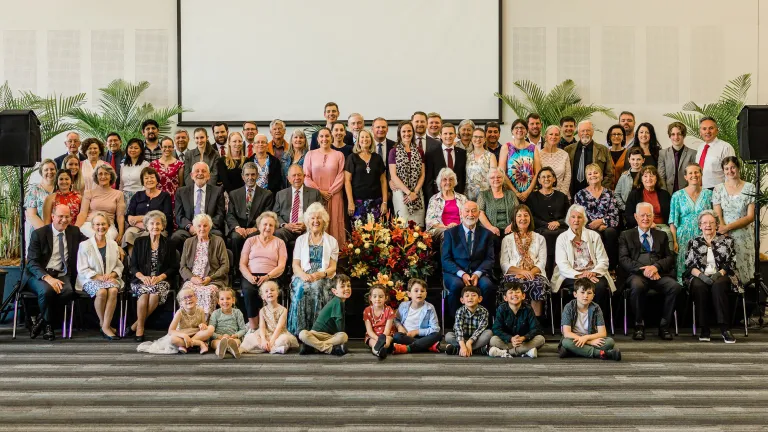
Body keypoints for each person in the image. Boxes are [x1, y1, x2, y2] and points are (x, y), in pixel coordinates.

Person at [619, 202, 682, 341]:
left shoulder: (661, 235)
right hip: (636, 274)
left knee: (675, 287)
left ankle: (664, 326)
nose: (645, 218)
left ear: (653, 216)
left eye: (649, 215)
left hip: (658, 273)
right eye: (642, 215)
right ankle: (639, 326)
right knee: (637, 286)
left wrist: (656, 267)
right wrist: (645, 270)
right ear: (636, 216)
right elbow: (624, 259)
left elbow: (669, 257)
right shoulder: (626, 235)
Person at [22, 204, 86, 340]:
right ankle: (48, 326)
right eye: (60, 216)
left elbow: (91, 243)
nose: (64, 220)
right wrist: (48, 278)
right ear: (52, 217)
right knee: (47, 291)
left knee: (68, 291)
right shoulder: (39, 234)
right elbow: (32, 263)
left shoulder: (74, 232)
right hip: (38, 275)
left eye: (67, 216)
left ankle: (40, 320)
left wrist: (115, 247)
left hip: (61, 274)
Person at [685, 210, 740, 343]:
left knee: (718, 285)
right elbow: (689, 265)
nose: (708, 225)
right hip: (700, 275)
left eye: (711, 222)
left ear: (716, 225)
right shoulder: (694, 242)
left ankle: (725, 329)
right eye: (704, 222)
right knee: (699, 286)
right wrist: (702, 276)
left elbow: (730, 263)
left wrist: (717, 275)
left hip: (722, 274)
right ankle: (704, 329)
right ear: (700, 226)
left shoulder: (727, 241)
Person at [552, 204, 617, 315]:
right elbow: (562, 264)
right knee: (581, 288)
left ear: (584, 219)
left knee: (600, 287)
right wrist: (580, 275)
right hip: (571, 275)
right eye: (573, 217)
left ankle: (597, 321)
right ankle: (576, 321)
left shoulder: (594, 236)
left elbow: (603, 261)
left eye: (579, 217)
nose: (576, 220)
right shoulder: (562, 238)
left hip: (594, 274)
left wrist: (592, 273)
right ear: (568, 219)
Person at [287, 203, 339, 335]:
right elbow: (295, 265)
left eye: (319, 218)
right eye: (312, 218)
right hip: (303, 274)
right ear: (307, 221)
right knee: (300, 288)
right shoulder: (300, 240)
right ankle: (300, 331)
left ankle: (318, 331)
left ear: (324, 221)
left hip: (324, 275)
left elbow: (333, 268)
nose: (316, 221)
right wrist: (303, 275)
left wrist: (321, 274)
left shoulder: (332, 241)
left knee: (317, 286)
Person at [128, 210, 177, 342]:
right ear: (146, 226)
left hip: (161, 279)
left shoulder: (169, 243)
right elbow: (133, 266)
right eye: (152, 224)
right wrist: (143, 277)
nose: (155, 227)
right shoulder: (139, 242)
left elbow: (173, 267)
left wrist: (160, 277)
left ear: (163, 226)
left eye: (158, 224)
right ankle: (140, 329)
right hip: (141, 279)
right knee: (144, 295)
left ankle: (136, 324)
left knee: (154, 295)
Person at [442, 201, 496, 319]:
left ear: (479, 214)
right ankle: (454, 323)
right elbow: (445, 260)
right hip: (456, 273)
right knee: (456, 286)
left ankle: (485, 321)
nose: (470, 214)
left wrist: (477, 273)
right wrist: (462, 274)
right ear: (461, 213)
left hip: (479, 272)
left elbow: (489, 259)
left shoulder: (487, 234)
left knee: (487, 286)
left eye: (474, 211)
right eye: (467, 211)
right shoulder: (450, 233)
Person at [75, 211, 124, 340]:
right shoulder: (84, 245)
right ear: (92, 227)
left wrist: (112, 274)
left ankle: (105, 325)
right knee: (101, 292)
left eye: (103, 224)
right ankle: (105, 325)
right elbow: (82, 269)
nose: (100, 227)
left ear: (108, 226)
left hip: (109, 278)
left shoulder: (113, 245)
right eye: (97, 224)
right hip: (89, 279)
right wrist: (98, 277)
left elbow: (119, 265)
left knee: (113, 290)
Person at [239, 212, 287, 330]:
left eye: (271, 225)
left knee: (268, 292)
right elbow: (242, 264)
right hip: (251, 276)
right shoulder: (250, 241)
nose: (267, 227)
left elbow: (281, 265)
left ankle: (269, 326)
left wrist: (268, 276)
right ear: (259, 226)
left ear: (274, 228)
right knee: (249, 291)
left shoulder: (279, 242)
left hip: (272, 275)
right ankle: (253, 327)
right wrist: (249, 276)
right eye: (265, 224)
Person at [713, 156, 756, 285]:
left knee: (744, 272)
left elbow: (750, 217)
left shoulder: (750, 187)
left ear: (738, 168)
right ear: (723, 170)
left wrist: (728, 227)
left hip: (743, 235)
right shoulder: (718, 188)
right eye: (726, 168)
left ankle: (745, 301)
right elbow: (717, 213)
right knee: (726, 271)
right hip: (724, 235)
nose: (730, 171)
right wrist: (723, 228)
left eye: (732, 167)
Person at [500, 204, 549, 317]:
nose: (523, 219)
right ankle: (514, 320)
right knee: (513, 285)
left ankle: (535, 322)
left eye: (526, 215)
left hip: (536, 274)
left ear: (530, 218)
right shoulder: (507, 239)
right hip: (513, 274)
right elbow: (504, 264)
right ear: (514, 219)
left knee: (537, 284)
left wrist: (529, 273)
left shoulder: (540, 238)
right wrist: (522, 272)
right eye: (519, 216)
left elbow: (542, 263)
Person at [669, 163, 713, 282]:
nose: (694, 175)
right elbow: (672, 221)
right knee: (683, 268)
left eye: (696, 172)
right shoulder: (677, 196)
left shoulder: (709, 194)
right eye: (690, 173)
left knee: (702, 266)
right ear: (685, 177)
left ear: (701, 174)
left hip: (703, 236)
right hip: (683, 238)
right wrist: (674, 241)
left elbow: (714, 218)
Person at [558, 278, 621, 360]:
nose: (585, 296)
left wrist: (586, 338)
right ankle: (600, 354)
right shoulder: (569, 307)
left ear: (593, 296)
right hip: (573, 339)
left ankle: (574, 351)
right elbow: (567, 333)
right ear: (575, 294)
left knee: (610, 342)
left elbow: (602, 333)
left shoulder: (596, 308)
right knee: (566, 342)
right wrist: (589, 342)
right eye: (582, 292)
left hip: (590, 337)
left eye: (589, 293)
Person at [179, 214, 229, 317]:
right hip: (193, 280)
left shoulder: (218, 241)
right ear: (194, 227)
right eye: (199, 226)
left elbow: (225, 266)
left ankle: (204, 324)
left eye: (205, 226)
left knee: (208, 293)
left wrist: (210, 278)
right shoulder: (188, 242)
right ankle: (187, 323)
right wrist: (192, 278)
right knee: (185, 293)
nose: (202, 229)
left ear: (210, 227)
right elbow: (182, 267)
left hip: (213, 280)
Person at [573, 164, 620, 271]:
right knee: (595, 234)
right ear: (586, 178)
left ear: (602, 176)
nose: (593, 175)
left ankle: (611, 269)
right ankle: (595, 268)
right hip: (588, 227)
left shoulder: (609, 194)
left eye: (596, 172)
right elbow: (578, 217)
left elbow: (615, 216)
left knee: (610, 233)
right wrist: (594, 225)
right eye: (590, 174)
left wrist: (602, 221)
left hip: (607, 226)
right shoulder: (580, 195)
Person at [226, 162, 274, 264]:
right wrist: (237, 228)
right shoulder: (234, 194)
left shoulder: (267, 194)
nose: (250, 177)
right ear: (243, 177)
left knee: (253, 237)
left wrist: (256, 227)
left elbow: (266, 215)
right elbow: (230, 214)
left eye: (253, 174)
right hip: (239, 228)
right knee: (235, 238)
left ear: (257, 175)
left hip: (256, 228)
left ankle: (252, 267)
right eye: (247, 175)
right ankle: (236, 270)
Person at [303, 128, 345, 244]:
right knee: (316, 222)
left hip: (334, 195)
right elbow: (306, 176)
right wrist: (320, 192)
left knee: (334, 222)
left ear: (331, 138)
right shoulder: (310, 154)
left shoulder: (339, 155)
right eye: (321, 136)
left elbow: (341, 175)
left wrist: (330, 192)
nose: (324, 139)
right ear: (317, 139)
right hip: (315, 196)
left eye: (327, 136)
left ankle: (335, 254)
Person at [172, 162, 226, 250]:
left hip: (210, 229)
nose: (200, 173)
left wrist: (204, 227)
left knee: (218, 236)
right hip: (189, 229)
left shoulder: (217, 191)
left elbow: (220, 215)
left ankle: (212, 263)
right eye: (197, 171)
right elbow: (179, 216)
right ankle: (182, 263)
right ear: (192, 175)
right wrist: (190, 227)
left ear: (208, 176)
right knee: (176, 238)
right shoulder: (181, 192)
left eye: (203, 171)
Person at [527, 167, 569, 277]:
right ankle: (548, 273)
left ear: (554, 179)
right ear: (539, 180)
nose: (546, 179)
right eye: (543, 177)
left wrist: (559, 223)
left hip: (560, 228)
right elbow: (531, 217)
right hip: (541, 229)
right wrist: (547, 225)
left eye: (549, 176)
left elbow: (569, 216)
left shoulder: (562, 196)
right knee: (548, 235)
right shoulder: (532, 197)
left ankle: (560, 272)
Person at [488, 282, 545, 358]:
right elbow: (496, 329)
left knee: (541, 339)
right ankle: (525, 352)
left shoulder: (528, 309)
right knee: (493, 340)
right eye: (511, 292)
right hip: (508, 342)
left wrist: (524, 338)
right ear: (505, 298)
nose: (514, 294)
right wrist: (511, 338)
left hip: (523, 341)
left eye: (517, 292)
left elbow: (536, 328)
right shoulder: (501, 309)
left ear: (523, 296)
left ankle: (506, 352)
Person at [239, 281, 299, 354]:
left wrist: (271, 341)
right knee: (249, 337)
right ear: (263, 297)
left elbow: (279, 328)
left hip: (278, 334)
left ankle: (270, 347)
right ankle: (270, 348)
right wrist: (264, 340)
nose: (270, 292)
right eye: (266, 291)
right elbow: (262, 327)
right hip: (266, 334)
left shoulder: (283, 310)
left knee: (284, 339)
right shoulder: (262, 311)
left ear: (277, 293)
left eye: (272, 290)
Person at [298, 274, 351, 356]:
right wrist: (339, 337)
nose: (347, 288)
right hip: (317, 334)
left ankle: (314, 346)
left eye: (348, 286)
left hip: (329, 336)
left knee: (343, 336)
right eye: (342, 286)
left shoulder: (341, 302)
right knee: (303, 334)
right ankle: (329, 349)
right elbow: (339, 323)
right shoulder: (337, 301)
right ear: (334, 291)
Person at [273, 164, 323, 250]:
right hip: (287, 229)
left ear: (304, 176)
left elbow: (321, 213)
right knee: (278, 233)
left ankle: (305, 263)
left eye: (299, 175)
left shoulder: (315, 193)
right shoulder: (280, 194)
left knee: (313, 233)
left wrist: (307, 224)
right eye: (294, 175)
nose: (297, 178)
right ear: (288, 178)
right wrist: (285, 225)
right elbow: (275, 214)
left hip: (307, 228)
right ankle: (282, 262)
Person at [124, 167, 173, 252]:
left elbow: (166, 217)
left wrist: (141, 218)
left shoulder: (165, 196)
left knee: (148, 234)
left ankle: (148, 262)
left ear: (157, 180)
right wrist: (139, 223)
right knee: (129, 233)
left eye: (152, 177)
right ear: (143, 182)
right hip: (137, 227)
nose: (149, 180)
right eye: (146, 178)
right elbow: (129, 216)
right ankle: (133, 262)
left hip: (157, 227)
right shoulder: (137, 195)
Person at [344, 129, 388, 221]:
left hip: (376, 202)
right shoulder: (352, 158)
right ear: (358, 141)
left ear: (371, 140)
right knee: (358, 234)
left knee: (377, 233)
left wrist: (384, 202)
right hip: (358, 203)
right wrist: (350, 202)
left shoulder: (377, 158)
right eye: (362, 137)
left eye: (367, 137)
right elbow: (347, 181)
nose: (365, 139)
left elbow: (383, 181)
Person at [624, 166, 672, 246]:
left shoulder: (664, 194)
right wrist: (646, 224)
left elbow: (670, 215)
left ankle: (668, 257)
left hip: (661, 226)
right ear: (641, 179)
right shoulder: (634, 194)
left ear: (656, 178)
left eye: (652, 175)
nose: (649, 178)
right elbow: (628, 215)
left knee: (667, 233)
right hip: (640, 226)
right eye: (645, 176)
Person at [75, 164, 125, 242]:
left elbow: (120, 216)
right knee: (92, 237)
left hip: (108, 226)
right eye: (100, 174)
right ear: (96, 177)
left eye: (106, 174)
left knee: (105, 238)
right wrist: (75, 230)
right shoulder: (89, 193)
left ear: (111, 176)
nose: (103, 176)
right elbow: (82, 213)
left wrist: (121, 234)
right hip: (90, 224)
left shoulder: (118, 194)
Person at [389, 121, 426, 225]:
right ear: (399, 133)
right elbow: (393, 175)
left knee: (418, 226)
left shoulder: (420, 151)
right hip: (401, 193)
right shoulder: (393, 151)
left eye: (409, 131)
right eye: (404, 131)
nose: (407, 134)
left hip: (417, 193)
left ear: (413, 132)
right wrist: (409, 193)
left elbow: (422, 174)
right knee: (403, 226)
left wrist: (415, 192)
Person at [391, 278, 442, 354]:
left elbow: (435, 329)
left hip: (423, 337)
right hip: (406, 337)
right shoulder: (403, 306)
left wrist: (417, 332)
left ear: (426, 294)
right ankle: (428, 346)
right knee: (396, 337)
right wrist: (399, 327)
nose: (419, 293)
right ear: (409, 294)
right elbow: (396, 319)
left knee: (437, 335)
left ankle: (408, 348)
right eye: (416, 291)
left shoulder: (430, 308)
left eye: (422, 291)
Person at [566, 120, 615, 196]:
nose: (585, 133)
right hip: (573, 194)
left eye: (588, 130)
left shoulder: (603, 150)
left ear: (592, 132)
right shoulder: (568, 150)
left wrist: (599, 191)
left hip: (596, 195)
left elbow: (609, 174)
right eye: (582, 131)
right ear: (578, 133)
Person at [499, 119, 541, 202]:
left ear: (526, 131)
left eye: (522, 128)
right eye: (516, 128)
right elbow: (501, 172)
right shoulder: (506, 147)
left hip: (530, 193)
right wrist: (515, 192)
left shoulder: (533, 148)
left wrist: (528, 192)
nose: (519, 130)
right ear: (512, 131)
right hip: (510, 193)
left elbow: (538, 172)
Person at [444, 285, 492, 356]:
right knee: (448, 336)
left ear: (480, 299)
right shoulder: (460, 311)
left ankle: (458, 349)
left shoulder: (484, 311)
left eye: (473, 295)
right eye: (467, 296)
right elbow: (458, 329)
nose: (470, 298)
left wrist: (469, 342)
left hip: (476, 338)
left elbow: (481, 329)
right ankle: (477, 350)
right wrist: (463, 345)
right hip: (462, 338)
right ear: (462, 300)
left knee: (489, 333)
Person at [477, 168, 520, 245]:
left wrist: (512, 225)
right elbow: (480, 213)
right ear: (489, 180)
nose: (496, 179)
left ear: (503, 178)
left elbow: (518, 211)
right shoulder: (483, 195)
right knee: (492, 240)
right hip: (490, 229)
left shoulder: (511, 194)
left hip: (509, 228)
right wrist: (490, 227)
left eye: (499, 177)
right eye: (492, 177)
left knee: (512, 239)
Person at [426, 168, 468, 245]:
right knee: (447, 234)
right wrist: (446, 227)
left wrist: (458, 226)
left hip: (459, 228)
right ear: (440, 183)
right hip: (440, 229)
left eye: (451, 179)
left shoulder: (462, 198)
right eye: (445, 180)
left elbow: (468, 217)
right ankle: (446, 257)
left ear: (454, 182)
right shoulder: (434, 199)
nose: (448, 182)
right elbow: (430, 221)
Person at [167, 288, 214, 354]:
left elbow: (204, 326)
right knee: (172, 339)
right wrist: (184, 335)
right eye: (185, 298)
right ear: (180, 303)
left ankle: (186, 345)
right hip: (183, 334)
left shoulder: (201, 310)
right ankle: (199, 343)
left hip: (196, 334)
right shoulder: (179, 312)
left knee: (211, 328)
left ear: (196, 298)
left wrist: (203, 326)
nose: (188, 299)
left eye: (190, 296)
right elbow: (170, 331)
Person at [697, 117, 735, 190]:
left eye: (711, 128)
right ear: (700, 132)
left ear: (717, 130)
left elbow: (731, 173)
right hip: (701, 190)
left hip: (718, 189)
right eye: (704, 129)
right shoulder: (700, 148)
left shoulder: (725, 147)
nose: (707, 131)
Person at [658, 122, 696, 195]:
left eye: (679, 134)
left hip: (688, 193)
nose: (676, 137)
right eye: (673, 134)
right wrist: (665, 194)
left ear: (683, 135)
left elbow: (693, 176)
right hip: (668, 193)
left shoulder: (693, 153)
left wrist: (689, 193)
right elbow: (661, 177)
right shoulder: (662, 153)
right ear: (669, 136)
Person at [209, 288, 247, 359]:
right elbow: (211, 331)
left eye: (228, 298)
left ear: (233, 300)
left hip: (232, 338)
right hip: (219, 338)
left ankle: (232, 349)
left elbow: (243, 329)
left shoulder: (237, 312)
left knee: (237, 341)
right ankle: (220, 348)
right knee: (214, 343)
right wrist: (220, 337)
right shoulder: (215, 313)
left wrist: (235, 335)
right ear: (218, 301)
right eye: (222, 299)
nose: (225, 301)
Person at [150, 136, 184, 212]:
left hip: (173, 198)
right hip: (157, 197)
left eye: (169, 147)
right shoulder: (153, 164)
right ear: (160, 147)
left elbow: (181, 185)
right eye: (164, 147)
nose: (167, 149)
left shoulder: (179, 164)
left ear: (173, 148)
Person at [25, 159, 56, 238]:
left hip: (58, 232)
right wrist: (47, 232)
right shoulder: (35, 190)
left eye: (52, 169)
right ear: (41, 172)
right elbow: (31, 215)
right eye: (46, 170)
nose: (50, 172)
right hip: (40, 232)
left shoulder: (60, 188)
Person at [464, 127, 497, 201]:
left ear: (485, 139)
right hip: (468, 196)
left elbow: (494, 177)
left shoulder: (491, 156)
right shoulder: (466, 156)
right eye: (475, 136)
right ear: (472, 139)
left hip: (486, 196)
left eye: (481, 137)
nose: (478, 139)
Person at [363, 284, 396, 359]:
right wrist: (377, 338)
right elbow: (369, 330)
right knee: (373, 343)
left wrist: (382, 338)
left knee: (387, 341)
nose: (377, 299)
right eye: (375, 296)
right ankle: (379, 352)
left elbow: (387, 329)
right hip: (372, 335)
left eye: (381, 297)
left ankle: (381, 348)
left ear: (386, 298)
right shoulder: (367, 310)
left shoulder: (389, 310)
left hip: (386, 335)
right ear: (370, 298)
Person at [539, 125, 572, 197]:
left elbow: (568, 176)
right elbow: (537, 176)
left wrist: (561, 195)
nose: (553, 137)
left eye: (556, 135)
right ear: (546, 137)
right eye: (551, 134)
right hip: (543, 196)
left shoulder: (564, 154)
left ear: (559, 138)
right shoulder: (538, 154)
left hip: (562, 195)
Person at [120, 138, 150, 205]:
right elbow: (121, 184)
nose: (133, 150)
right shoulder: (123, 165)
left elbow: (147, 184)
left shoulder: (145, 164)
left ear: (141, 150)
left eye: (136, 148)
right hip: (124, 197)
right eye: (130, 147)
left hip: (140, 196)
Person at [615, 148, 646, 213]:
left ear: (643, 160)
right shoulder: (624, 176)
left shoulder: (647, 176)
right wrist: (624, 207)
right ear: (629, 160)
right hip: (627, 210)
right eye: (633, 159)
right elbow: (617, 194)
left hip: (644, 209)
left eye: (638, 159)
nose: (635, 162)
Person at [606, 124, 627, 190]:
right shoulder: (605, 153)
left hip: (623, 191)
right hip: (607, 191)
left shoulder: (628, 153)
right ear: (609, 137)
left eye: (619, 134)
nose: (616, 136)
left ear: (623, 137)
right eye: (614, 134)